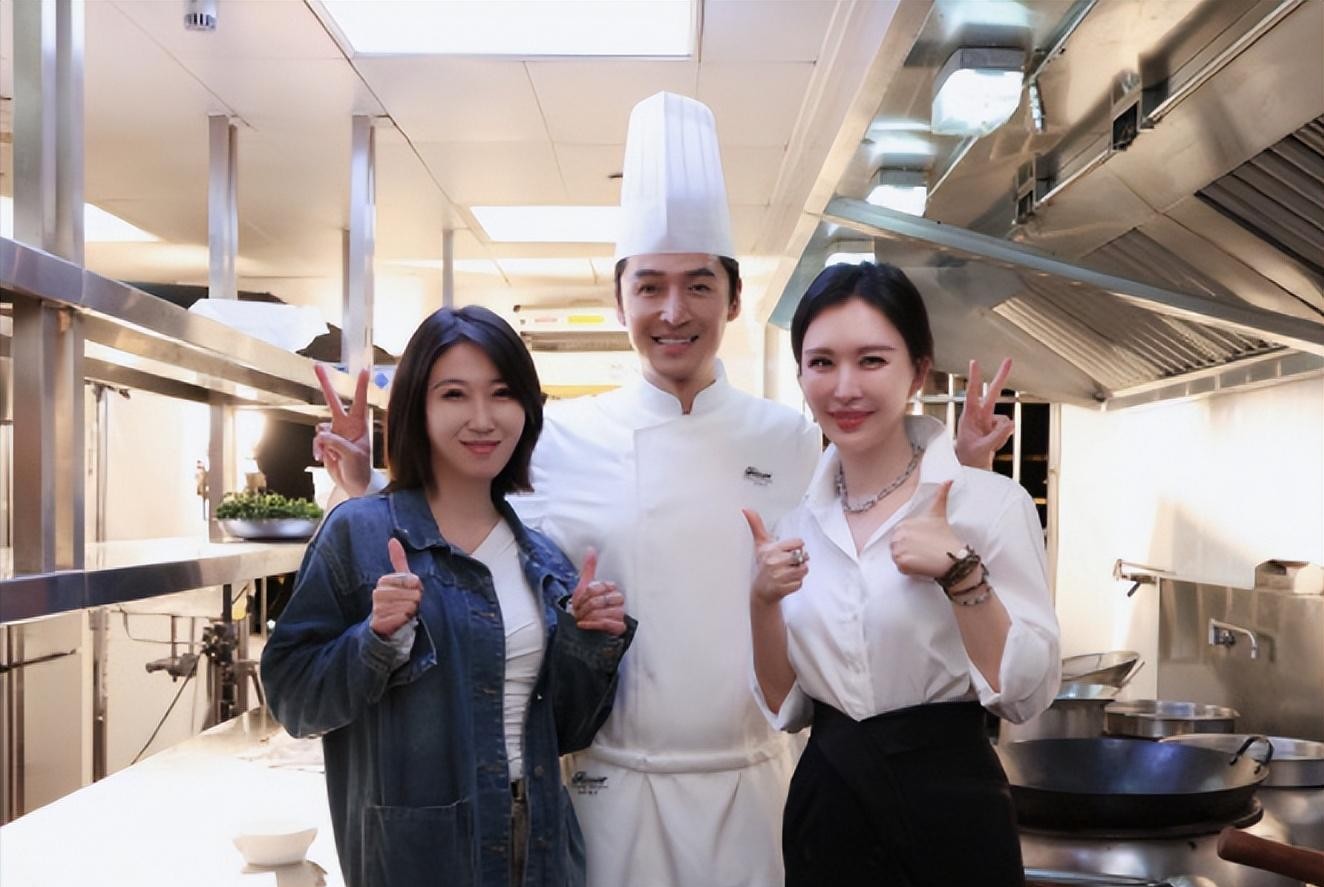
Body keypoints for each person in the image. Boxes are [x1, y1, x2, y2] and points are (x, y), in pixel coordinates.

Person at [311, 94, 1014, 887]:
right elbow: (466, 536)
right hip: (610, 789)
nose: (673, 312)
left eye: (698, 285)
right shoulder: (559, 437)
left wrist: (962, 471)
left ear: (734, 299)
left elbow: (875, 547)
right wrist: (367, 485)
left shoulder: (790, 437)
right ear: (619, 300)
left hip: (755, 784)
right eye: (649, 286)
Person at [261, 306, 635, 887]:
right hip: (421, 859)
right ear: (419, 408)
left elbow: (568, 732)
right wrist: (374, 641)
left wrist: (588, 643)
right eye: (455, 394)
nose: (483, 419)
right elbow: (293, 702)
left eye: (502, 393)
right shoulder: (360, 535)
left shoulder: (544, 562)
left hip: (541, 849)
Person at [744, 261, 1060, 887]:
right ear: (801, 375)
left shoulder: (990, 505)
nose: (844, 387)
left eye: (872, 360)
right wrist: (761, 602)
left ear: (917, 371)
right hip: (827, 809)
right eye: (821, 362)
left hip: (952, 809)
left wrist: (962, 576)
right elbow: (787, 707)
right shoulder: (794, 525)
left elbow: (1025, 695)